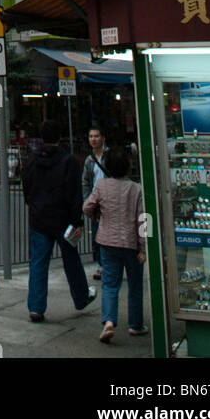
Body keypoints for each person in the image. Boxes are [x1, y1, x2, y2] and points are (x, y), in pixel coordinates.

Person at [22, 119, 97, 323]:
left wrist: (34, 204)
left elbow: (26, 187)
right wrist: (77, 221)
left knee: (38, 262)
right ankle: (81, 297)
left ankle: (36, 307)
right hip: (63, 220)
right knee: (71, 259)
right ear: (59, 136)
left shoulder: (32, 160)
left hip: (39, 219)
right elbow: (75, 194)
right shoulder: (68, 161)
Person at [83, 145, 147, 342]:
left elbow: (87, 206)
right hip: (131, 244)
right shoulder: (137, 189)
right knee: (135, 285)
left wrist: (98, 217)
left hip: (107, 241)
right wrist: (144, 247)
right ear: (128, 167)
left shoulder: (102, 186)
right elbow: (144, 219)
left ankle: (109, 321)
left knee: (110, 284)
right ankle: (135, 325)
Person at [81, 124, 109, 280]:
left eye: (96, 136)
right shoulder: (89, 160)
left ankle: (108, 264)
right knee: (97, 235)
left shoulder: (109, 156)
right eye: (91, 136)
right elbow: (85, 181)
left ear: (103, 138)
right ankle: (101, 265)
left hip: (109, 201)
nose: (93, 139)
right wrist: (88, 201)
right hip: (95, 203)